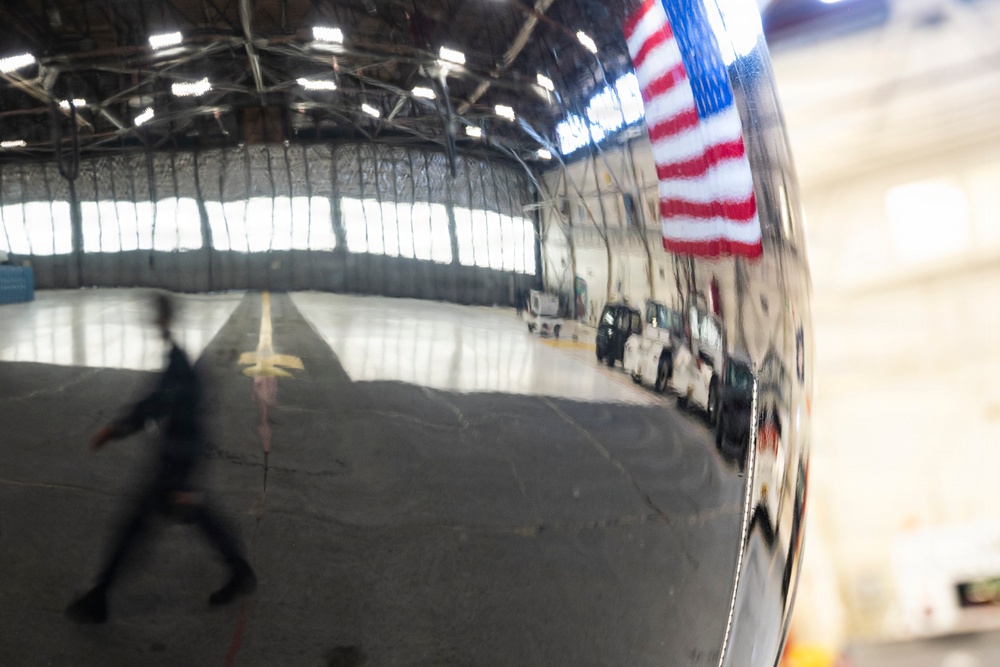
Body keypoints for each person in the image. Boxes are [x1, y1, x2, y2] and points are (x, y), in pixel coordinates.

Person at [66, 292, 256, 624]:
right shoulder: (177, 359)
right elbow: (163, 403)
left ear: (164, 320)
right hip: (180, 458)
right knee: (196, 517)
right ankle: (240, 571)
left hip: (177, 462)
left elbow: (156, 404)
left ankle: (99, 597)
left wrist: (117, 428)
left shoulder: (179, 365)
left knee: (136, 526)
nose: (151, 323)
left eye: (155, 317)